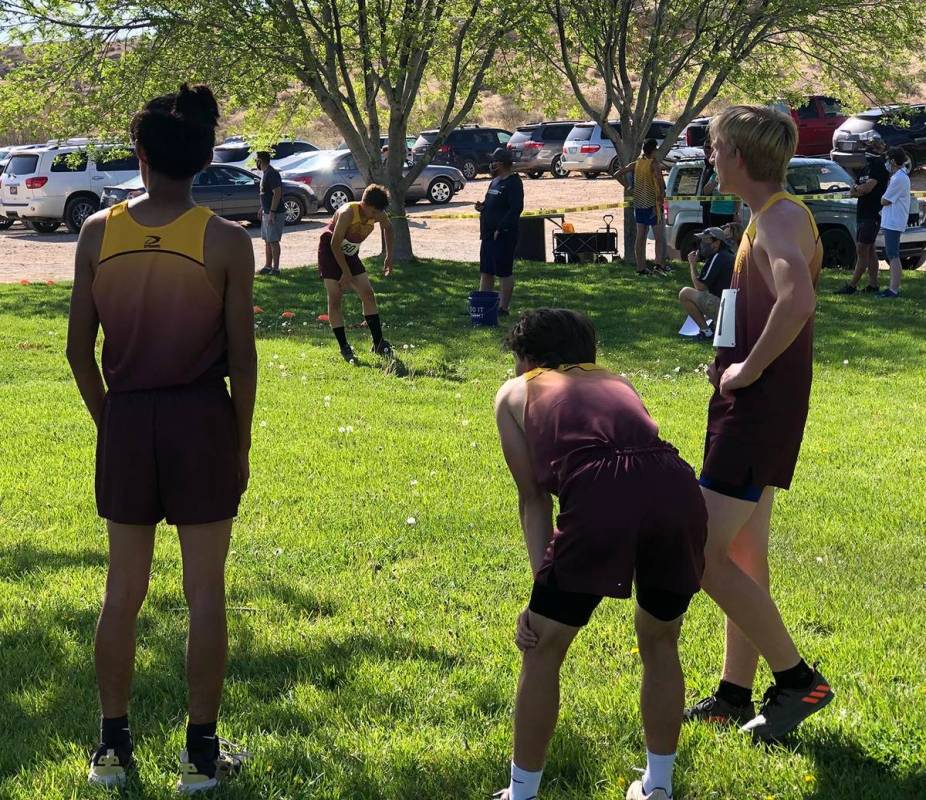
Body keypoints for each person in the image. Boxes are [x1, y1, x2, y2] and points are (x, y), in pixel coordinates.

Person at [66, 83, 256, 792]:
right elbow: (242, 361)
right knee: (206, 594)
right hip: (202, 420)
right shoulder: (227, 242)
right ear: (205, 160)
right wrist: (238, 444)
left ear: (140, 154)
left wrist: (109, 420)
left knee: (123, 593)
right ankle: (200, 758)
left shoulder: (96, 233)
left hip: (128, 419)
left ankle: (111, 749)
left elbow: (78, 353)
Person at [493, 309, 707, 800]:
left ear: (526, 358)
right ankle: (659, 787)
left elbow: (533, 499)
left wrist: (540, 589)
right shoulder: (617, 379)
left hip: (599, 491)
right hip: (675, 485)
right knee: (660, 641)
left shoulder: (515, 392)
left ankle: (521, 794)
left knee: (542, 647)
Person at [685, 105, 834, 741]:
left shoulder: (776, 218)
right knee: (743, 557)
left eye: (716, 149)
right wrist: (715, 312)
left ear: (738, 158)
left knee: (698, 551)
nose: (710, 159)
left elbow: (798, 297)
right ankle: (733, 694)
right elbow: (774, 299)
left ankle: (799, 680)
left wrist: (744, 370)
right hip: (758, 408)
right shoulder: (771, 219)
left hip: (755, 411)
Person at [317, 184, 394, 362]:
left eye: (378, 214)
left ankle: (378, 342)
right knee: (335, 297)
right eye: (374, 213)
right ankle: (344, 346)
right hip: (330, 251)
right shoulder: (347, 213)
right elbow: (335, 245)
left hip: (350, 254)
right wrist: (346, 273)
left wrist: (389, 256)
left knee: (368, 294)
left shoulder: (378, 212)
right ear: (364, 204)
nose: (376, 217)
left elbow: (389, 228)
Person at [833, 135, 889, 295]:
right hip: (862, 213)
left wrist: (859, 190)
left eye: (869, 148)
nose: (865, 152)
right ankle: (873, 284)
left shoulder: (879, 167)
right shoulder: (865, 168)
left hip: (873, 214)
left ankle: (851, 285)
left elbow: (867, 188)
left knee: (861, 249)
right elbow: (854, 190)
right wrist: (858, 189)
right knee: (870, 250)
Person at [476, 147, 523, 316]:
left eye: (494, 161)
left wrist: (501, 227)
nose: (491, 164)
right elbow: (492, 202)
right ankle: (483, 305)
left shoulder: (513, 182)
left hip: (504, 234)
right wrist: (482, 207)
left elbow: (516, 208)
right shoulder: (495, 181)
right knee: (486, 270)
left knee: (503, 270)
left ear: (502, 163)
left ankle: (503, 308)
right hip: (488, 233)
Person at [617, 139, 667, 275]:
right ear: (653, 150)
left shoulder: (637, 163)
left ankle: (640, 267)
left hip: (639, 204)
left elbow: (617, 174)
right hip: (652, 205)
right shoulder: (654, 164)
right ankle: (659, 266)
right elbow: (659, 182)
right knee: (659, 238)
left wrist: (628, 186)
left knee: (640, 237)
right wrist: (661, 196)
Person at [678, 226, 734, 341]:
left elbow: (700, 287)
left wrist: (692, 265)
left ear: (717, 243)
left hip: (728, 310)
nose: (702, 244)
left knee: (685, 293)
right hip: (732, 307)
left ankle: (706, 332)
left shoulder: (718, 257)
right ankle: (714, 325)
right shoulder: (727, 255)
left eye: (706, 241)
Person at [876, 146, 911, 299]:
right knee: (892, 254)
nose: (887, 163)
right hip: (892, 220)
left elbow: (884, 200)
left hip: (894, 222)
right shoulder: (898, 176)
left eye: (888, 160)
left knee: (893, 255)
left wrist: (882, 198)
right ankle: (892, 287)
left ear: (893, 161)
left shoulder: (899, 178)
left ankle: (893, 289)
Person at [700, 138, 742, 229]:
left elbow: (738, 197)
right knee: (714, 240)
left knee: (727, 240)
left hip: (728, 213)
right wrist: (715, 181)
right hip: (714, 212)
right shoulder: (715, 175)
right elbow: (705, 191)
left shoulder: (733, 175)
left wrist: (736, 213)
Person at [255, 150, 284, 276]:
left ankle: (276, 269)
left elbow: (277, 193)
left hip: (275, 212)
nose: (256, 163)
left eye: (257, 160)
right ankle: (268, 266)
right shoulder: (265, 173)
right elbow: (265, 194)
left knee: (273, 240)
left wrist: (272, 212)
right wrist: (262, 208)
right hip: (267, 212)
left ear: (260, 161)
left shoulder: (272, 173)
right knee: (267, 240)